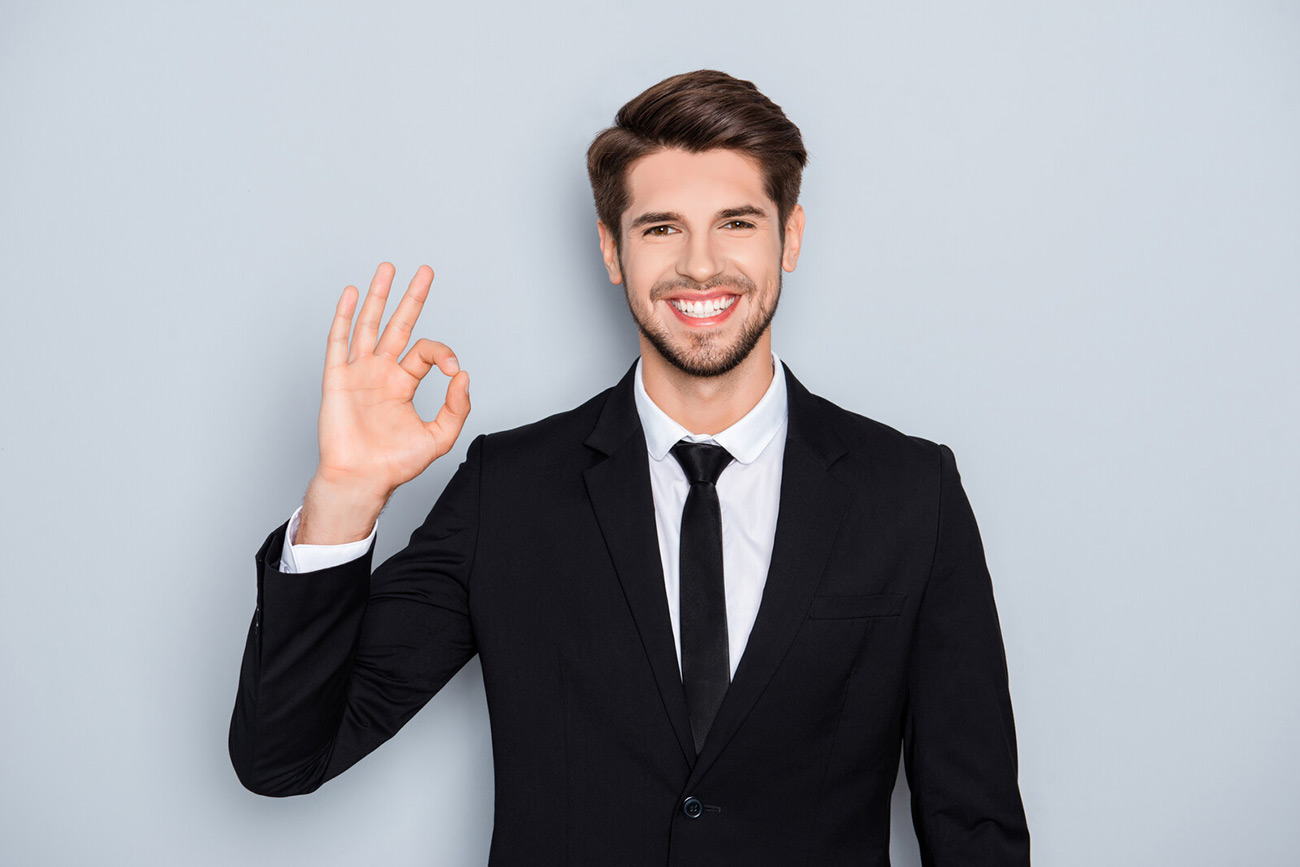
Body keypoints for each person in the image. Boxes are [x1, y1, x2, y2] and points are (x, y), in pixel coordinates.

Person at [229, 69, 1030, 866]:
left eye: (738, 222)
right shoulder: (507, 493)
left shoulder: (909, 494)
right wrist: (342, 496)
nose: (701, 265)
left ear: (789, 236)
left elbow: (975, 828)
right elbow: (283, 757)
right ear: (613, 250)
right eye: (661, 228)